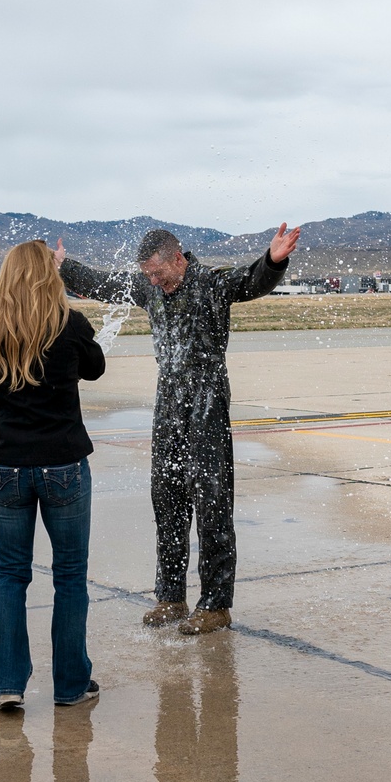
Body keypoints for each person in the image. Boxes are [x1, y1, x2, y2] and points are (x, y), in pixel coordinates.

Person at [55, 222, 300, 634]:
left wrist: (274, 260)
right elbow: (105, 284)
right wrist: (66, 267)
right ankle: (170, 597)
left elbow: (250, 281)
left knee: (212, 506)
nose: (153, 281)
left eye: (158, 273)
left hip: (207, 404)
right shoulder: (150, 288)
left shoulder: (210, 283)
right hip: (168, 405)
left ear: (178, 259)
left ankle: (216, 604)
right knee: (167, 502)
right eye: (147, 274)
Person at [0, 239, 106, 710]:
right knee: (69, 576)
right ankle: (71, 685)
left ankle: (8, 685)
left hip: (7, 465)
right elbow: (95, 368)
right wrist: (66, 300)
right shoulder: (68, 323)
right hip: (62, 464)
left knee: (11, 574)